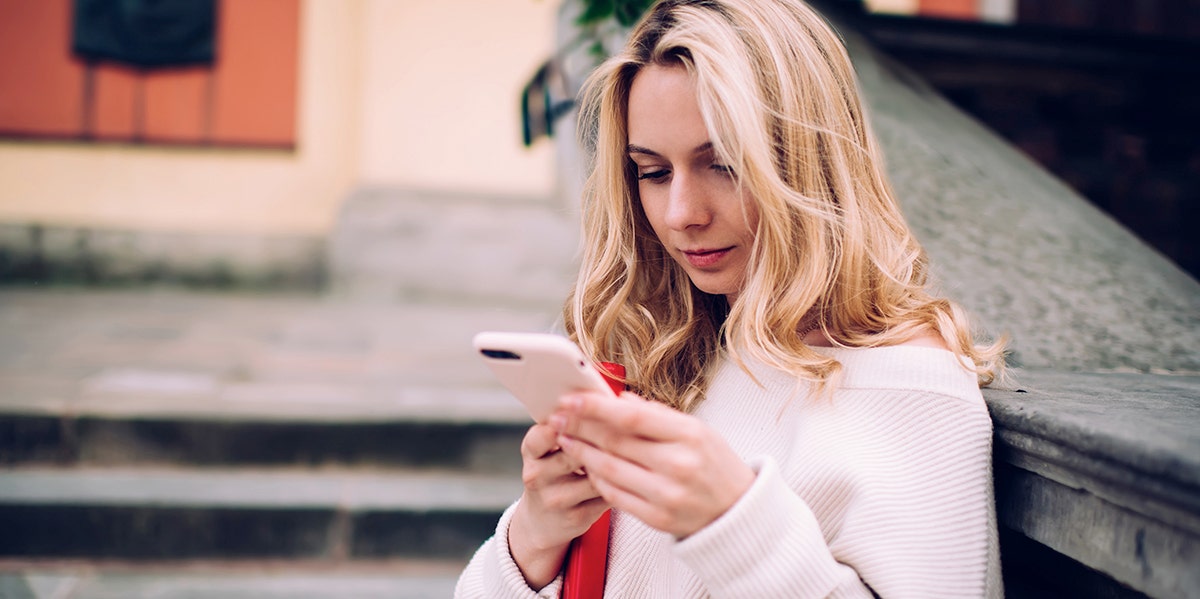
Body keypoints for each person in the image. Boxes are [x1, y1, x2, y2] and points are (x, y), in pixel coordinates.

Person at [456, 0, 1007, 596]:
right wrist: (535, 541)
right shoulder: (672, 351)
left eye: (722, 164)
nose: (681, 215)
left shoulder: (911, 385)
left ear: (810, 162)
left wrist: (733, 522)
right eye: (653, 172)